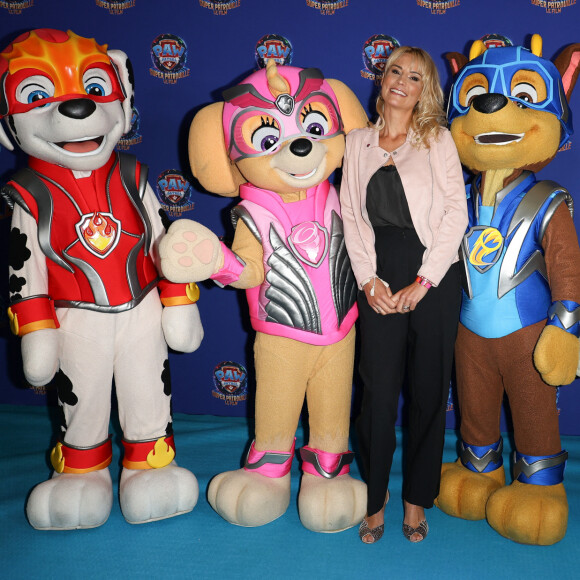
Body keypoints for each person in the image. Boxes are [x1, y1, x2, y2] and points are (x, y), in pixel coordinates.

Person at [340, 46, 468, 543]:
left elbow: (456, 212)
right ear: (383, 79)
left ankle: (417, 498)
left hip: (433, 274)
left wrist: (426, 280)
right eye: (396, 71)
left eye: (415, 77)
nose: (402, 82)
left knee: (429, 392)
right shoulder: (356, 143)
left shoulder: (437, 140)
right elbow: (351, 214)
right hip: (378, 272)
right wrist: (369, 279)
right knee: (376, 392)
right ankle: (375, 498)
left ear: (423, 91)